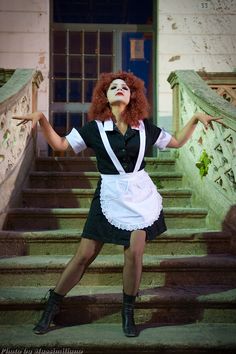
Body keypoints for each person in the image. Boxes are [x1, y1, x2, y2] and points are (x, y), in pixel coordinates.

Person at [12, 71, 222, 337]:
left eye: (125, 87)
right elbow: (61, 145)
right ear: (105, 96)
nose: (120, 89)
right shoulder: (94, 129)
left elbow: (177, 142)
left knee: (134, 252)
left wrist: (194, 119)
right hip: (109, 194)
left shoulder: (145, 128)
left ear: (133, 95)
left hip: (139, 194)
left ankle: (128, 313)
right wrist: (41, 119)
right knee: (85, 255)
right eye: (114, 87)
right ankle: (52, 305)